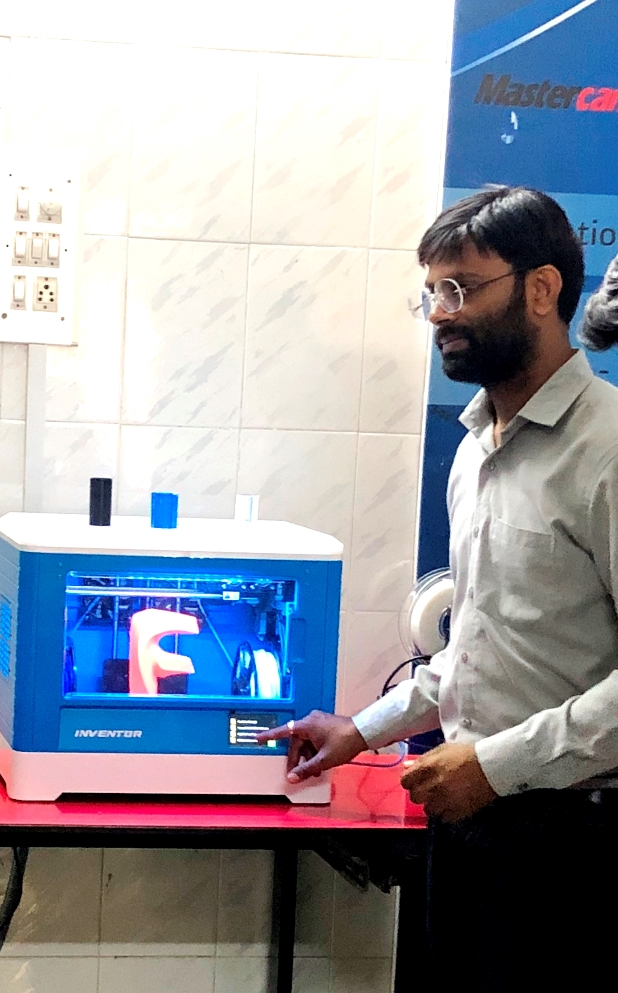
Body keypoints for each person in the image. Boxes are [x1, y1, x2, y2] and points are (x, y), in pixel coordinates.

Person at [260, 186, 618, 990]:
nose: (439, 314)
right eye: (431, 292)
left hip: (577, 843)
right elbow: (481, 650)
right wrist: (363, 729)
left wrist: (494, 764)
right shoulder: (475, 449)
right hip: (471, 824)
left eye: (461, 288)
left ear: (542, 288)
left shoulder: (608, 449)